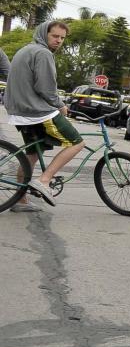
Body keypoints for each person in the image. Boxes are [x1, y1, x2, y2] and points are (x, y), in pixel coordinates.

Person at [5, 21, 85, 212]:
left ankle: (20, 200)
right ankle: (44, 180)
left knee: (31, 155)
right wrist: (61, 105)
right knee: (77, 143)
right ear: (44, 34)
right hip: (37, 112)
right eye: (55, 36)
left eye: (62, 38)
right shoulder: (43, 53)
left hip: (21, 112)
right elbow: (46, 88)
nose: (59, 41)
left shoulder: (25, 50)